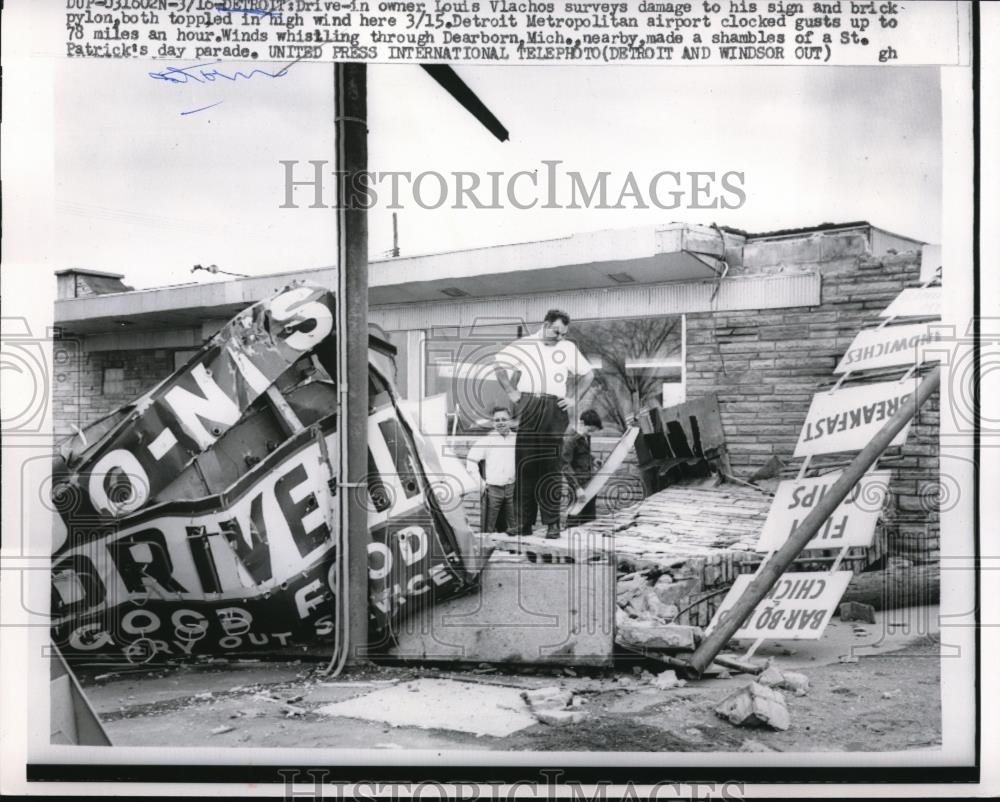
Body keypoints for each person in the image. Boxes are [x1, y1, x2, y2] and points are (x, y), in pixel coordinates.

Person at [494, 309, 594, 539]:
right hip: (529, 405)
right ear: (546, 324)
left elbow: (588, 375)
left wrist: (573, 398)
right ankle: (523, 524)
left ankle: (552, 525)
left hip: (553, 409)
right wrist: (511, 391)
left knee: (550, 469)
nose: (560, 337)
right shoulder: (525, 344)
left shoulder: (568, 348)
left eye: (564, 334)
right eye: (557, 332)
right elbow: (498, 363)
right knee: (526, 466)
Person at [465, 405, 517, 534]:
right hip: (493, 489)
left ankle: (513, 552)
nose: (500, 423)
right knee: (489, 528)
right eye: (497, 420)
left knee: (514, 526)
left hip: (513, 489)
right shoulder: (486, 440)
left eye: (504, 419)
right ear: (493, 423)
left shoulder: (517, 439)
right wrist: (481, 483)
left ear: (510, 421)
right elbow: (471, 461)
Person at [563, 409, 602, 527]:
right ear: (581, 423)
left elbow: (582, 453)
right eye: (589, 430)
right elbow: (565, 465)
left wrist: (593, 459)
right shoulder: (570, 439)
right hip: (578, 486)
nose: (590, 434)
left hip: (589, 482)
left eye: (593, 431)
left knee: (589, 521)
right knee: (574, 518)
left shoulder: (585, 435)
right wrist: (577, 488)